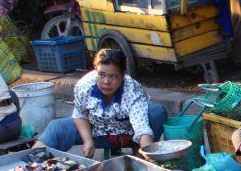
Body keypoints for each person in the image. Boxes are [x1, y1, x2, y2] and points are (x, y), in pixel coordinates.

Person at [34, 49, 167, 157]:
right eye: (101, 74)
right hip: (98, 131)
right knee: (56, 127)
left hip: (128, 133)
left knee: (156, 112)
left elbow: (142, 128)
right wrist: (87, 140)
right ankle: (30, 162)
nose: (106, 82)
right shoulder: (84, 86)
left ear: (123, 75)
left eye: (113, 76)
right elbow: (80, 115)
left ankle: (140, 155)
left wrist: (149, 156)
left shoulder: (132, 90)